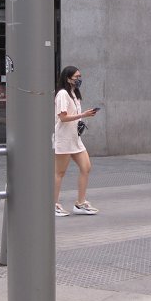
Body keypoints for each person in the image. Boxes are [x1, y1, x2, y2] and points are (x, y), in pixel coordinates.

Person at [53, 66, 99, 217]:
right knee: (60, 172)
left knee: (86, 167)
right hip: (64, 138)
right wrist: (83, 115)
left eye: (79, 76)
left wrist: (83, 116)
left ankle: (80, 203)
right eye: (76, 77)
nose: (79, 80)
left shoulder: (74, 93)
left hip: (75, 138)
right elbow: (63, 117)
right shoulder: (62, 94)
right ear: (67, 78)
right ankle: (53, 204)